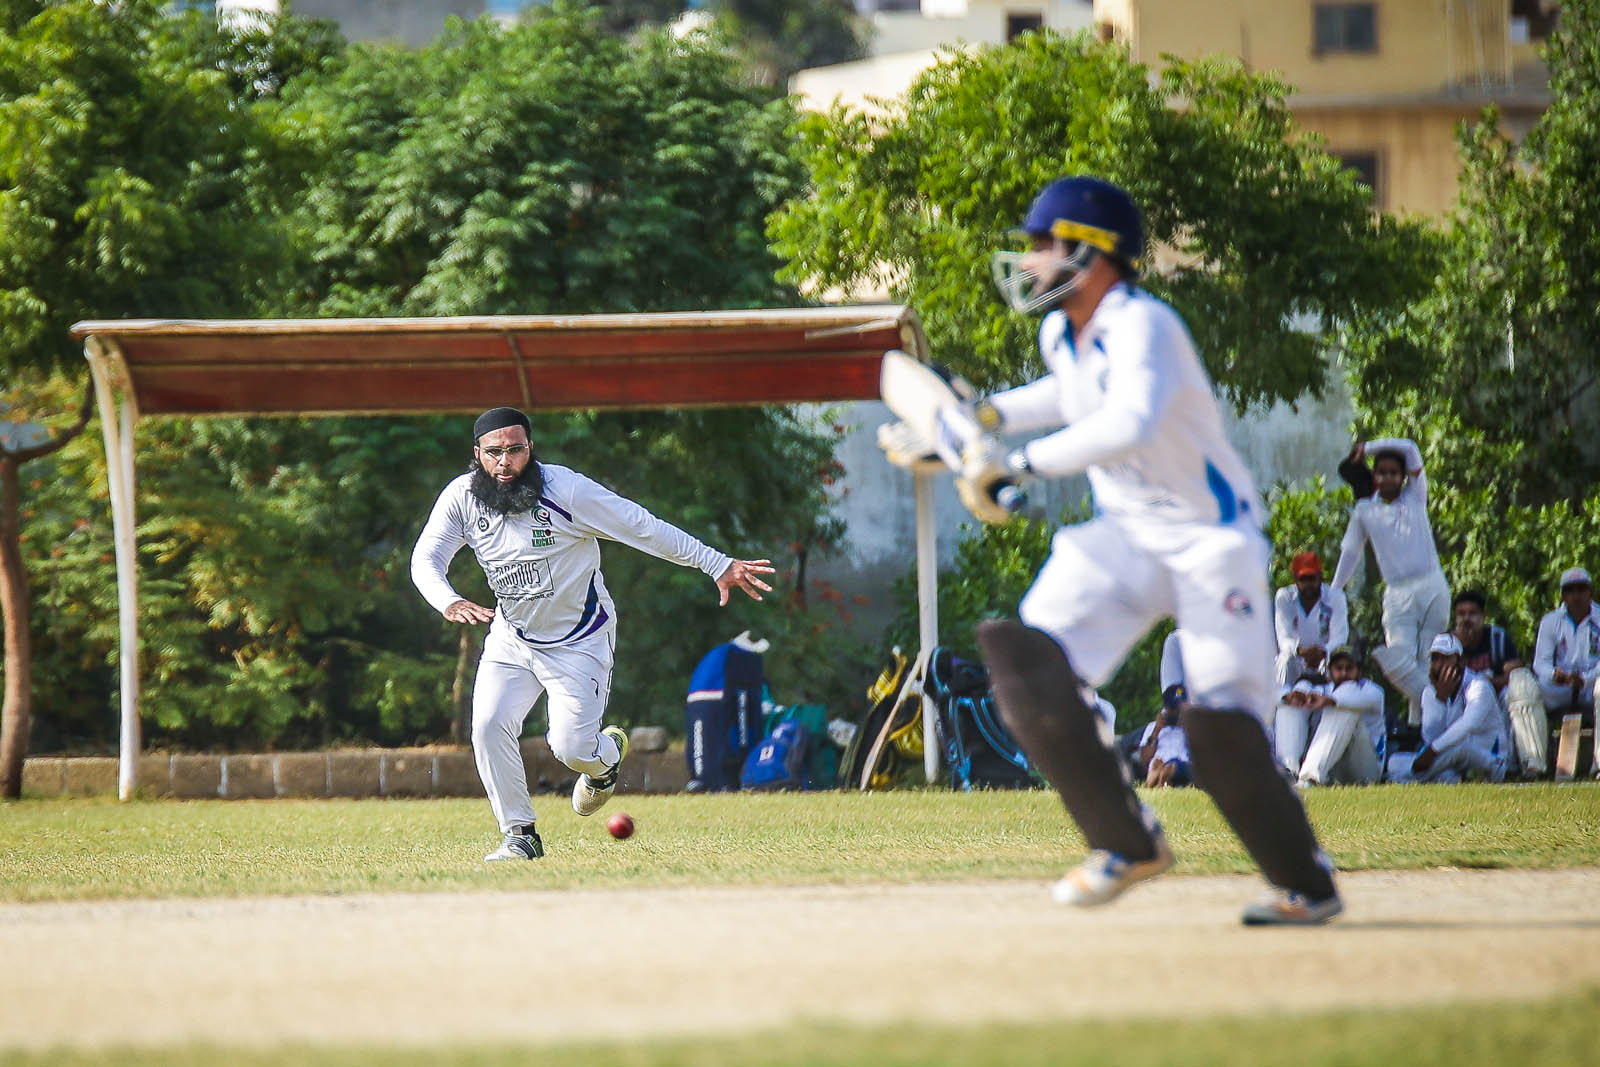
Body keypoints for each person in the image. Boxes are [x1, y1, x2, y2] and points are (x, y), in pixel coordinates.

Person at [956, 175, 1341, 925]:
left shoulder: (1145, 326)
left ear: (1092, 251)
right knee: (1027, 663)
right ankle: (1126, 841)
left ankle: (1307, 884)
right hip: (1127, 534)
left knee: (1221, 728)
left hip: (1210, 539)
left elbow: (1129, 421)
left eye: (1042, 244)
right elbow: (1066, 396)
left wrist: (1018, 464)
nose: (1029, 261)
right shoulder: (1061, 333)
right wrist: (984, 416)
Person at [411, 407, 775, 861]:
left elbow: (642, 527)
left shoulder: (566, 490)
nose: (505, 462)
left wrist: (716, 562)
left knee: (570, 748)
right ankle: (520, 834)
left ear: (530, 449)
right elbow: (426, 558)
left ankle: (604, 762)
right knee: (486, 726)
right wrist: (448, 600)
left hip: (580, 639)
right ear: (477, 454)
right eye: (494, 452)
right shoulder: (462, 497)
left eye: (516, 450)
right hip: (512, 637)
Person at [1330, 438, 1450, 726]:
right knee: (1397, 660)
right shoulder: (1364, 510)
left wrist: (1368, 448)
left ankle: (1424, 732)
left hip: (1433, 585)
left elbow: (1410, 449)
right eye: (1381, 472)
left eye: (1393, 473)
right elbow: (1350, 552)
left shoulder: (1415, 496)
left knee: (1426, 663)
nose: (1387, 478)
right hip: (1397, 594)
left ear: (1402, 476)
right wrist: (1333, 590)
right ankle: (1439, 708)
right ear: (1374, 476)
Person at [1397, 633, 1507, 783]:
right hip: (1454, 762)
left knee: (1460, 749)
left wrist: (1432, 751)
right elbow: (1430, 738)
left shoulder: (1479, 686)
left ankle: (1412, 779)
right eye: (1435, 659)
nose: (1439, 665)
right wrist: (1440, 701)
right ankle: (1444, 778)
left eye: (1445, 658)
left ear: (1461, 661)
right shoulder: (1430, 692)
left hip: (1490, 760)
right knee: (1394, 761)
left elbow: (1468, 724)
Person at [1531, 567, 1600, 778]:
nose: (1576, 596)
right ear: (1563, 595)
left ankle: (1599, 764)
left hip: (1591, 687)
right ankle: (1533, 764)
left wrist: (1586, 679)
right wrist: (1555, 675)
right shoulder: (1550, 621)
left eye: (1581, 589)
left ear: (1590, 592)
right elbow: (1540, 664)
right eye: (1570, 590)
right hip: (1560, 687)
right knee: (1523, 689)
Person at [1295, 646, 1386, 787]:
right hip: (1334, 770)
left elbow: (1349, 699)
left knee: (1345, 709)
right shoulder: (1324, 689)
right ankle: (1291, 771)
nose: (1344, 673)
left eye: (1349, 668)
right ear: (1330, 670)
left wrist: (1329, 701)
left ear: (1359, 670)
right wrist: (1299, 690)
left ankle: (1310, 777)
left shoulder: (1373, 691)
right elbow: (1290, 695)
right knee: (1293, 707)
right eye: (1338, 668)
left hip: (1366, 770)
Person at [1274, 551, 1348, 688]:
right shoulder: (1285, 597)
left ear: (1320, 577)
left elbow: (1340, 638)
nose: (1308, 584)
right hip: (1296, 657)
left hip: (1325, 658)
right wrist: (1300, 651)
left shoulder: (1335, 597)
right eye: (1303, 579)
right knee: (1285, 660)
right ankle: (1283, 699)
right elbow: (1284, 639)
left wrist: (1322, 652)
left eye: (1312, 578)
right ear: (1295, 579)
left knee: (1338, 662)